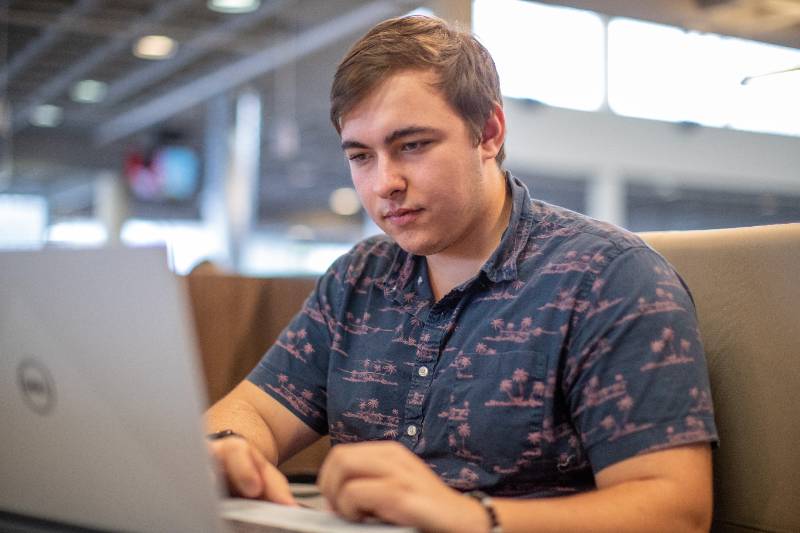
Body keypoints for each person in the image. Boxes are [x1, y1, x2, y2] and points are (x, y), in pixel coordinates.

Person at [206, 14, 718, 533]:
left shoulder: (608, 279)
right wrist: (230, 450)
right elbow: (254, 413)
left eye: (413, 145)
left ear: (489, 133)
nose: (385, 183)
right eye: (362, 156)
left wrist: (474, 518)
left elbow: (676, 511)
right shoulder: (358, 280)